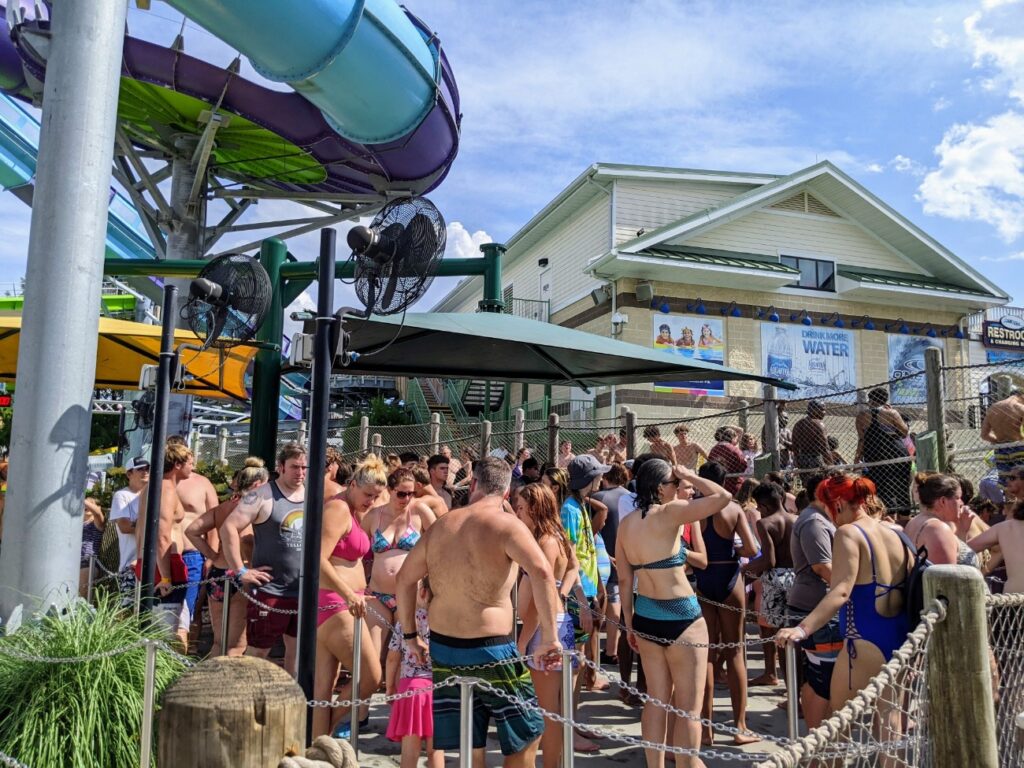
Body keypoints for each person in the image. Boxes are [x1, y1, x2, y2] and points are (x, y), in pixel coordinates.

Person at [395, 457, 563, 768]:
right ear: (507, 491)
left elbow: (404, 578)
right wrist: (549, 638)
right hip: (492, 648)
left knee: (469, 740)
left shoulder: (443, 524)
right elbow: (541, 573)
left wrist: (409, 636)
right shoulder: (507, 525)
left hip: (444, 647)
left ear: (473, 485)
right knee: (528, 731)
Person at [617, 459, 732, 766]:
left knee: (655, 701)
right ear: (659, 488)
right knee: (688, 710)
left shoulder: (627, 524)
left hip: (645, 614)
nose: (679, 487)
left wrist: (629, 623)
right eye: (673, 482)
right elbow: (723, 497)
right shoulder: (669, 513)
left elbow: (626, 579)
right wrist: (691, 474)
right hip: (682, 616)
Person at [776, 473, 911, 728]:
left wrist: (802, 628)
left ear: (837, 504)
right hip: (900, 637)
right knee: (890, 724)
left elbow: (840, 590)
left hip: (863, 641)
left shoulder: (848, 533)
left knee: (837, 729)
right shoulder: (897, 533)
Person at [312, 454, 387, 737]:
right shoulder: (339, 510)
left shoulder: (352, 511)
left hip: (341, 602)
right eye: (368, 494)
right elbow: (318, 559)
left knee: (323, 685)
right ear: (353, 484)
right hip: (336, 603)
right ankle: (328, 728)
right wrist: (348, 593)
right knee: (370, 676)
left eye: (376, 497)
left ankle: (318, 743)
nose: (370, 501)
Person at [219, 442, 307, 673]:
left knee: (298, 653)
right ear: (281, 467)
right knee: (258, 652)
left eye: (304, 467)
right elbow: (228, 528)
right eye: (295, 467)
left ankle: (291, 704)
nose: (300, 473)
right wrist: (241, 570)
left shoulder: (313, 494)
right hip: (270, 589)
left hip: (302, 590)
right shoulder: (262, 495)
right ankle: (245, 703)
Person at [692, 460, 759, 745]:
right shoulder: (733, 509)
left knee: (706, 655)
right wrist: (734, 548)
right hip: (729, 577)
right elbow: (753, 548)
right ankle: (740, 726)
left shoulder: (694, 510)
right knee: (735, 651)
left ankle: (706, 729)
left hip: (703, 579)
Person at [515, 483, 580, 768]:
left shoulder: (545, 543)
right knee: (555, 707)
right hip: (559, 623)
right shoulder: (557, 537)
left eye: (520, 507)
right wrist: (562, 591)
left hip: (544, 629)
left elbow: (537, 608)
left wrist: (522, 642)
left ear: (533, 508)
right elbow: (574, 567)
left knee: (547, 710)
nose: (517, 513)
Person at [186, 458, 269, 656]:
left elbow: (192, 531)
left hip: (219, 572)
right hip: (242, 573)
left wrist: (214, 555)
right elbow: (246, 541)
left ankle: (208, 682)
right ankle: (222, 686)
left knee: (219, 642)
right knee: (237, 645)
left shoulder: (223, 508)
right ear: (257, 486)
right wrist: (250, 561)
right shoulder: (249, 509)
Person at [363, 468, 437, 666]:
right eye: (401, 493)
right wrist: (360, 582)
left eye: (411, 493)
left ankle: (399, 697)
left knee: (409, 659)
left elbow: (440, 544)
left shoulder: (420, 511)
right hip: (378, 595)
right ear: (389, 490)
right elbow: (357, 551)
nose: (407, 498)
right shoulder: (373, 516)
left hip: (412, 595)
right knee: (372, 659)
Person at [786, 470, 842, 729]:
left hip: (820, 606)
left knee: (821, 678)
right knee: (824, 681)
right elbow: (822, 567)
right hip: (818, 608)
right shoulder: (814, 523)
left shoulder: (818, 518)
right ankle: (818, 741)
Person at [135, 442, 192, 643]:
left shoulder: (151, 488)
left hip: (153, 562)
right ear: (177, 464)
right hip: (165, 565)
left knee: (155, 630)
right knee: (164, 634)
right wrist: (166, 577)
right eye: (190, 463)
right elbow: (162, 534)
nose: (192, 468)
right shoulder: (165, 489)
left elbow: (140, 530)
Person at [386, 577, 442, 768]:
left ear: (422, 593)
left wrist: (390, 687)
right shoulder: (446, 623)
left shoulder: (406, 623)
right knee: (436, 750)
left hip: (411, 689)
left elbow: (392, 658)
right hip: (438, 688)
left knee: (410, 751)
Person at [743, 481, 796, 686]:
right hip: (797, 579)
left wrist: (745, 571)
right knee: (793, 634)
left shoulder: (765, 523)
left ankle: (786, 686)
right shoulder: (796, 519)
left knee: (778, 636)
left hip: (775, 581)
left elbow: (769, 560)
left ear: (763, 506)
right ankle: (794, 688)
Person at [169, 435, 219, 646]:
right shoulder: (160, 483)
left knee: (189, 612)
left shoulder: (202, 483)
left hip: (192, 554)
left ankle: (188, 659)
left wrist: (211, 556)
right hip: (163, 553)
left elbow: (214, 520)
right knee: (163, 616)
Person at [592, 462, 629, 664]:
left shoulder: (598, 498)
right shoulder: (631, 497)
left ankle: (595, 654)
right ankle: (611, 650)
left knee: (599, 602)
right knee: (616, 601)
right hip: (626, 557)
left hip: (601, 557)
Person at [855, 388, 911, 514]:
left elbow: (861, 440)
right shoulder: (892, 413)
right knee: (901, 488)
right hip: (896, 454)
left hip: (875, 455)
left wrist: (857, 459)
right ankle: (904, 519)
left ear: (871, 400)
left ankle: (887, 516)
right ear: (885, 400)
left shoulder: (862, 416)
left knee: (881, 489)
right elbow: (904, 432)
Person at [904, 473, 977, 567]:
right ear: (943, 501)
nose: (962, 503)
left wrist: (962, 530)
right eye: (958, 498)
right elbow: (947, 578)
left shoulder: (914, 521)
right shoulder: (938, 530)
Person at [969, 466, 1024, 593]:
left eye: (1012, 478)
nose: (1007, 481)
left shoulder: (1005, 528)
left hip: (1012, 601)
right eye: (1005, 478)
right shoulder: (1006, 527)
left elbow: (964, 550)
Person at [109, 457, 150, 605]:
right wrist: (150, 526)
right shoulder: (122, 495)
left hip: (153, 563)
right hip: (130, 564)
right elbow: (124, 526)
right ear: (129, 474)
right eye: (140, 469)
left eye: (147, 468)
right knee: (128, 609)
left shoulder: (155, 495)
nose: (145, 472)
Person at [980, 388, 1024, 487]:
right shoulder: (1020, 408)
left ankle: (1010, 502)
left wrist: (998, 441)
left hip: (1001, 449)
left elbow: (984, 435)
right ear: (1022, 395)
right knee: (1022, 479)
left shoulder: (993, 408)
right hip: (1019, 447)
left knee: (1007, 483)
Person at [791, 401, 830, 470]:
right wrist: (831, 466)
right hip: (816, 459)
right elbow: (825, 448)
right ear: (814, 410)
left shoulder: (798, 424)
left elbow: (795, 447)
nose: (824, 412)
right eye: (822, 409)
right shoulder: (819, 424)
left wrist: (797, 460)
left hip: (802, 460)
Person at [707, 427, 747, 495]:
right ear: (733, 438)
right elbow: (743, 464)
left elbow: (709, 462)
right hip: (734, 482)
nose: (736, 442)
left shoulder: (714, 449)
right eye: (736, 439)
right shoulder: (734, 449)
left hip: (719, 483)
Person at [79, 497, 105, 597]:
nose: (86, 505)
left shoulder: (97, 524)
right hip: (73, 562)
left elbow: (98, 513)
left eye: (91, 503)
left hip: (88, 563)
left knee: (82, 597)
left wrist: (80, 499)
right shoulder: (78, 523)